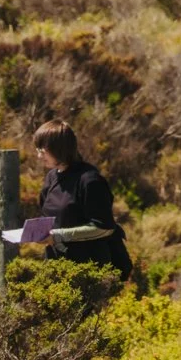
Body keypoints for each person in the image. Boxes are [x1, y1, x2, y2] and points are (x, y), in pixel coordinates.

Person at [28, 120, 134, 281]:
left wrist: (57, 235)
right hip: (56, 266)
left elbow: (104, 227)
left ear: (60, 149)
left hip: (88, 270)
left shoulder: (90, 180)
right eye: (38, 150)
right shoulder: (51, 177)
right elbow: (49, 216)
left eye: (43, 151)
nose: (39, 156)